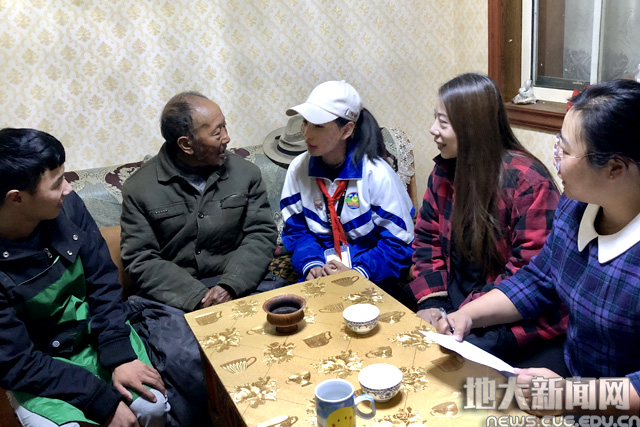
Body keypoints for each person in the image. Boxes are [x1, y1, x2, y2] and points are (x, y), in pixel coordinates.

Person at [431, 79, 640, 416]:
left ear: (615, 168)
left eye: (565, 151)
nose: (555, 159)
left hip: (617, 403)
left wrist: (570, 396)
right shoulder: (576, 207)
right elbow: (539, 279)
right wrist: (468, 314)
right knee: (462, 395)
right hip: (574, 373)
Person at [0, 128, 168, 427]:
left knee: (152, 407)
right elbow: (14, 361)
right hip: (40, 365)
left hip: (97, 334)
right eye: (56, 183)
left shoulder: (68, 207)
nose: (67, 189)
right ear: (17, 199)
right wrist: (99, 399)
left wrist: (118, 354)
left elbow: (103, 281)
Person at [406, 73, 568, 368]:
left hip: (512, 316)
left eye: (443, 122)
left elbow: (529, 273)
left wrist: (465, 314)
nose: (433, 130)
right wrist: (432, 303)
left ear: (472, 128)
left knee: (444, 367)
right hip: (456, 304)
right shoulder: (444, 171)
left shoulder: (527, 181)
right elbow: (427, 238)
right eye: (435, 119)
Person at [121, 91, 285, 312]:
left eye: (225, 126)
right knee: (171, 334)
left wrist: (231, 285)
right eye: (217, 132)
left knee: (283, 316)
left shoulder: (246, 173)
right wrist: (196, 297)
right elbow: (140, 258)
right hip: (176, 298)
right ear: (186, 145)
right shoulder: (139, 188)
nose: (226, 137)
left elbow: (261, 234)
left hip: (241, 283)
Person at [280, 80, 415, 295]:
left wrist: (358, 272)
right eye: (305, 123)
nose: (307, 133)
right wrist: (311, 264)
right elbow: (296, 230)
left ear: (347, 130)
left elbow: (399, 244)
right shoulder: (298, 169)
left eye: (318, 126)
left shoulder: (377, 174)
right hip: (320, 276)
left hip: (373, 277)